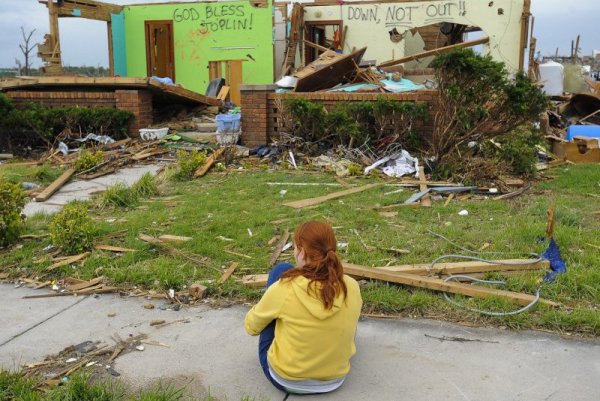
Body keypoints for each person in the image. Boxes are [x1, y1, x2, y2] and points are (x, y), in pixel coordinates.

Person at [244, 221, 362, 394]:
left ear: (301, 251)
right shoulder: (350, 286)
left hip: (286, 380)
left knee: (281, 270)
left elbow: (251, 327)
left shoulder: (285, 288)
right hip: (334, 380)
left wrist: (270, 305)